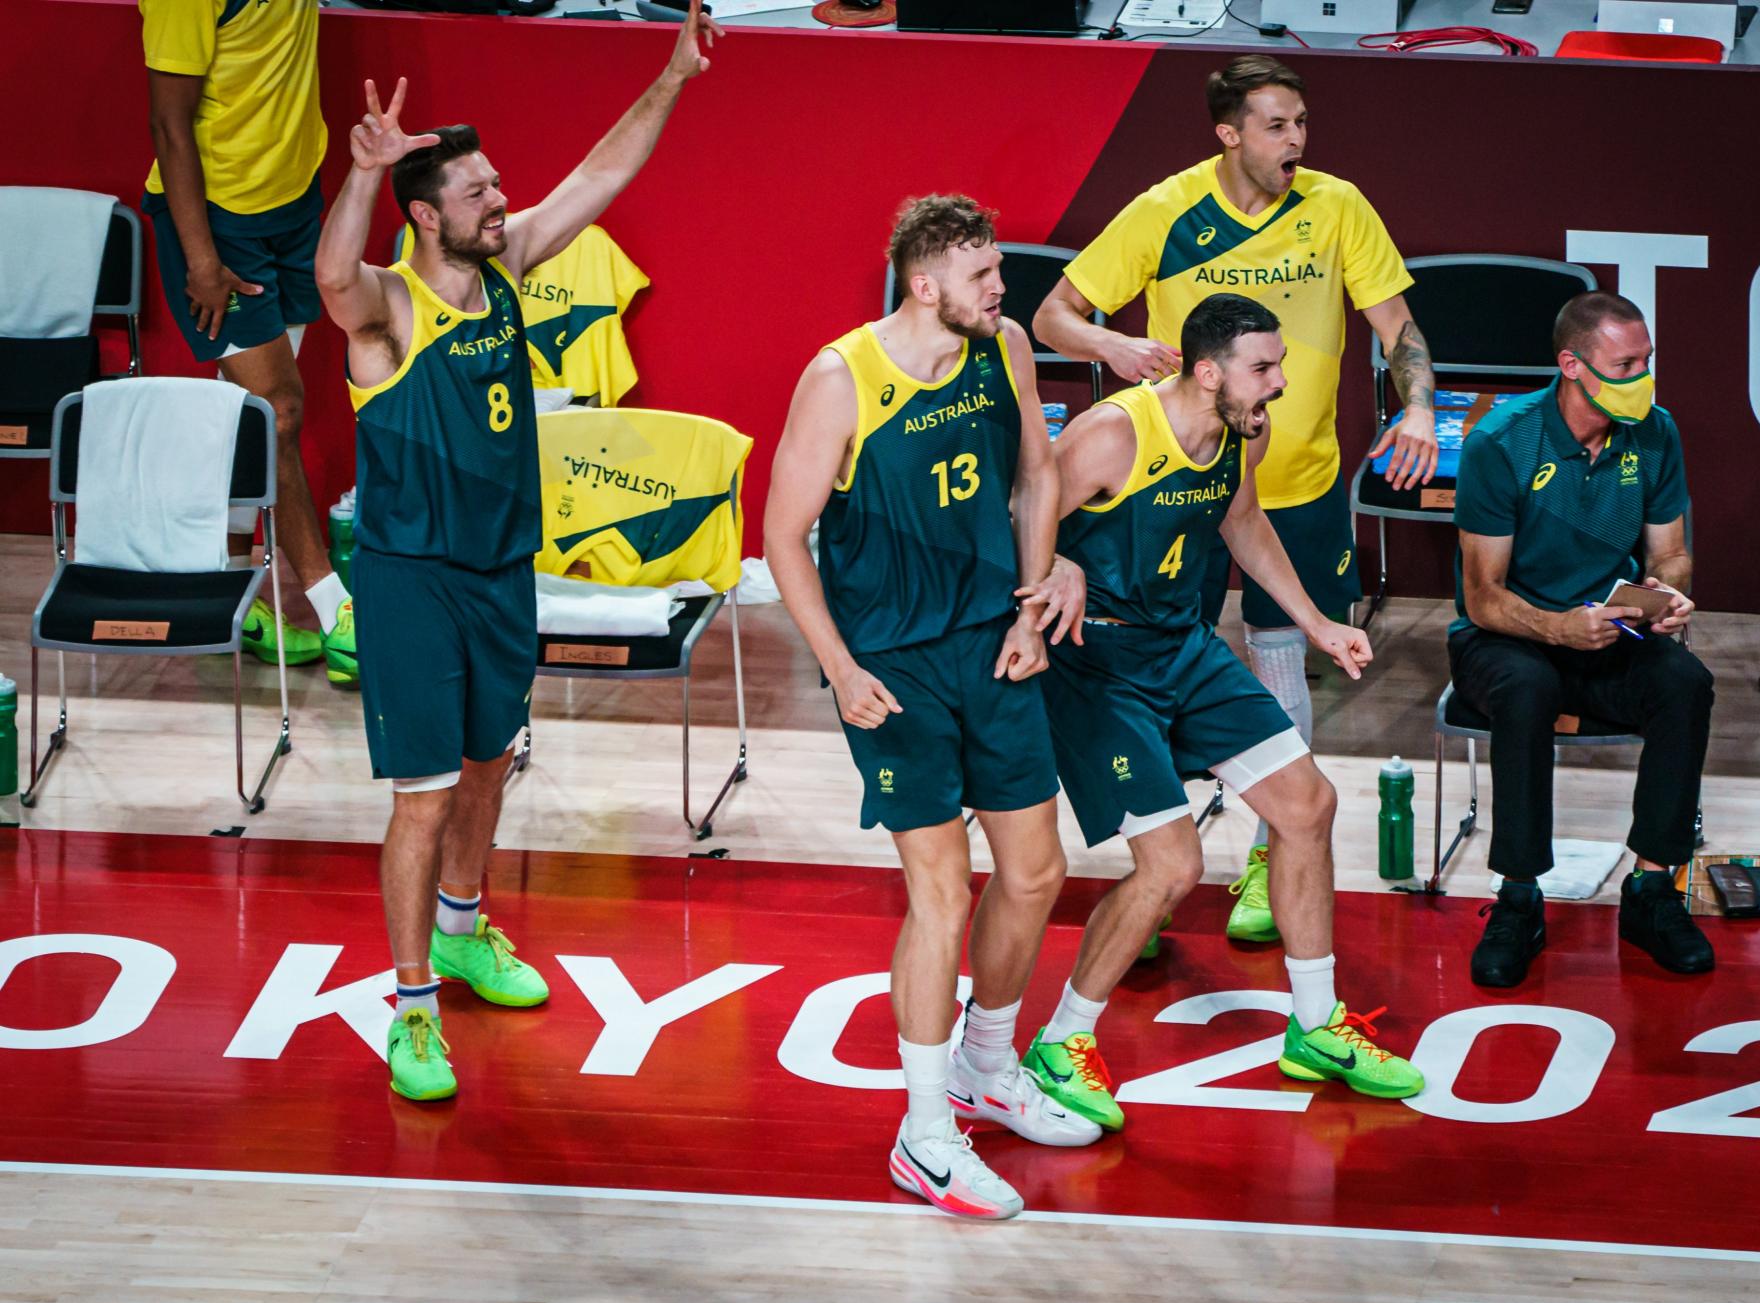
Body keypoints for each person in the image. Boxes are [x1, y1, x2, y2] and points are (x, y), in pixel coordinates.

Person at [312, 9, 721, 1102]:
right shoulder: (390, 312)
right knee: (421, 798)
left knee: (490, 765)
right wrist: (359, 174)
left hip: (502, 572)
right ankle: (409, 1009)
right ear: (423, 215)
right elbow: (331, 281)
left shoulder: (504, 267)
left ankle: (460, 928)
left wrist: (672, 74)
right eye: (479, 191)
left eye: (496, 186)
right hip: (411, 583)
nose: (501, 201)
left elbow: (602, 173)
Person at [1034, 54, 1439, 945]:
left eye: (1301, 123)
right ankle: (1159, 860)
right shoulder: (1166, 209)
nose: (1297, 141)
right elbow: (1050, 314)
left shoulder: (1338, 206)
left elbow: (1398, 327)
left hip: (1295, 484)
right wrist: (1114, 345)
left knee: (1281, 662)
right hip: (1177, 483)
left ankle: (1266, 855)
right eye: (1276, 125)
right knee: (1158, 659)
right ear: (1229, 134)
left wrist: (1416, 405)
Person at [763, 195, 1098, 1222]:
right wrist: (838, 665)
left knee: (1037, 870)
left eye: (998, 272)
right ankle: (922, 1133)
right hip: (894, 668)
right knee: (941, 895)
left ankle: (984, 1067)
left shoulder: (999, 351)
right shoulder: (838, 379)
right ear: (924, 283)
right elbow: (781, 537)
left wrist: (1034, 595)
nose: (1003, 289)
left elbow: (1036, 477)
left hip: (990, 643)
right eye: (984, 273)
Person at [1022, 293, 1424, 1136]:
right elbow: (1022, 515)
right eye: (1263, 368)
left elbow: (1241, 521)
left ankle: (1314, 1026)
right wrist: (1058, 560)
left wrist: (1316, 622)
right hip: (1097, 661)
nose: (1278, 383)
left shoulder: (1244, 432)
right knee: (1170, 865)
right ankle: (1060, 1042)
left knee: (1308, 805)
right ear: (1208, 373)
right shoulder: (1113, 435)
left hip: (1181, 645)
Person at [1449, 292, 1714, 988]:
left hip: (1610, 627)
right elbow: (1483, 596)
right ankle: (1518, 896)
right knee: (1529, 687)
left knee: (1685, 682)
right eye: (1626, 364)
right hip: (1509, 635)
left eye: (1647, 360)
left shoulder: (1656, 432)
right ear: (1572, 365)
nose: (1644, 377)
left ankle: (1652, 890)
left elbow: (1671, 553)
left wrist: (1669, 593)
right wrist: (1558, 626)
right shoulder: (1500, 443)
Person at [142, 0, 357, 682]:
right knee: (277, 412)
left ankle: (228, 595)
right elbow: (169, 126)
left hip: (293, 204)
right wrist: (200, 258)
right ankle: (336, 608)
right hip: (220, 219)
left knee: (244, 417)